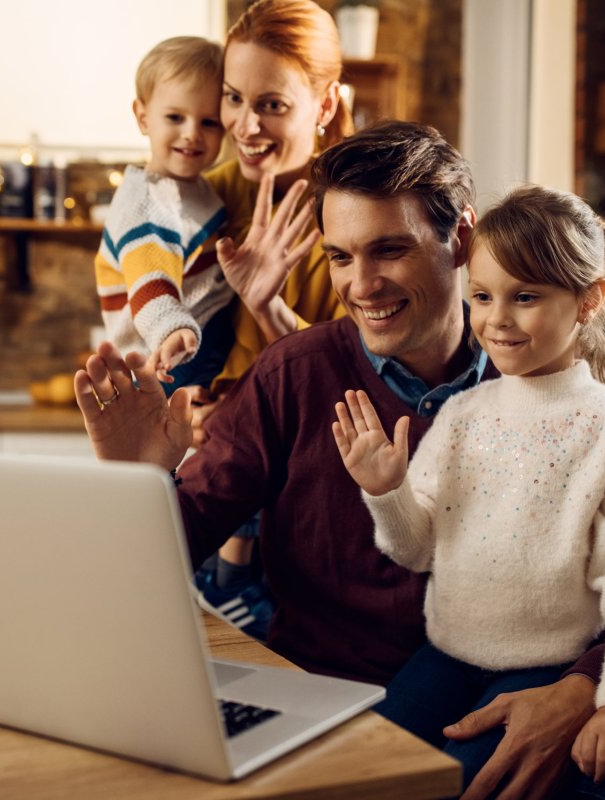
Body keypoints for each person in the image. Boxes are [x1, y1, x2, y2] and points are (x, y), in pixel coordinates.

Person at [74, 120, 605, 798]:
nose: (361, 285)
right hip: (331, 706)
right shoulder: (292, 376)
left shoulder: (544, 386)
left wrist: (579, 694)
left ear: (462, 239)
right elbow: (159, 556)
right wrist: (140, 479)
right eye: (339, 257)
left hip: (512, 691)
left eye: (388, 250)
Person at [333, 182, 605, 788]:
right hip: (444, 658)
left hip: (545, 671)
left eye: (524, 296)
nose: (496, 319)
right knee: (370, 774)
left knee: (476, 783)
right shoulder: (464, 415)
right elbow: (415, 549)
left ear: (589, 300)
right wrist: (386, 491)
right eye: (481, 296)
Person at [189, 0, 356, 639]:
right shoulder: (205, 193)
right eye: (234, 98)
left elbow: (371, 377)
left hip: (309, 516)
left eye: (273, 105)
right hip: (208, 488)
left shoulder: (360, 211)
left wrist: (268, 307)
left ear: (326, 103)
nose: (245, 124)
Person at [93, 36, 233, 392]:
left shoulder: (194, 186)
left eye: (209, 123)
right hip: (167, 355)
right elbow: (150, 282)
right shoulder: (146, 204)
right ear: (143, 117)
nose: (191, 134)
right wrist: (173, 330)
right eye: (175, 117)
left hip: (197, 335)